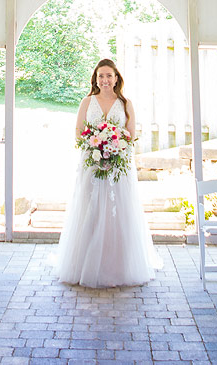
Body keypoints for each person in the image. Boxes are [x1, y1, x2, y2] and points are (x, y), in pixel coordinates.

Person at [57, 58, 161, 288]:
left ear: (116, 79)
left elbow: (130, 135)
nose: (105, 80)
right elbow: (78, 131)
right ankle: (85, 262)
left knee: (119, 211)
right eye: (101, 76)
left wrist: (113, 147)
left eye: (109, 76)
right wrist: (96, 147)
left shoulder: (125, 103)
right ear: (95, 78)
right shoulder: (87, 102)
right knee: (90, 208)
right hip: (91, 164)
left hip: (118, 166)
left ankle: (118, 265)